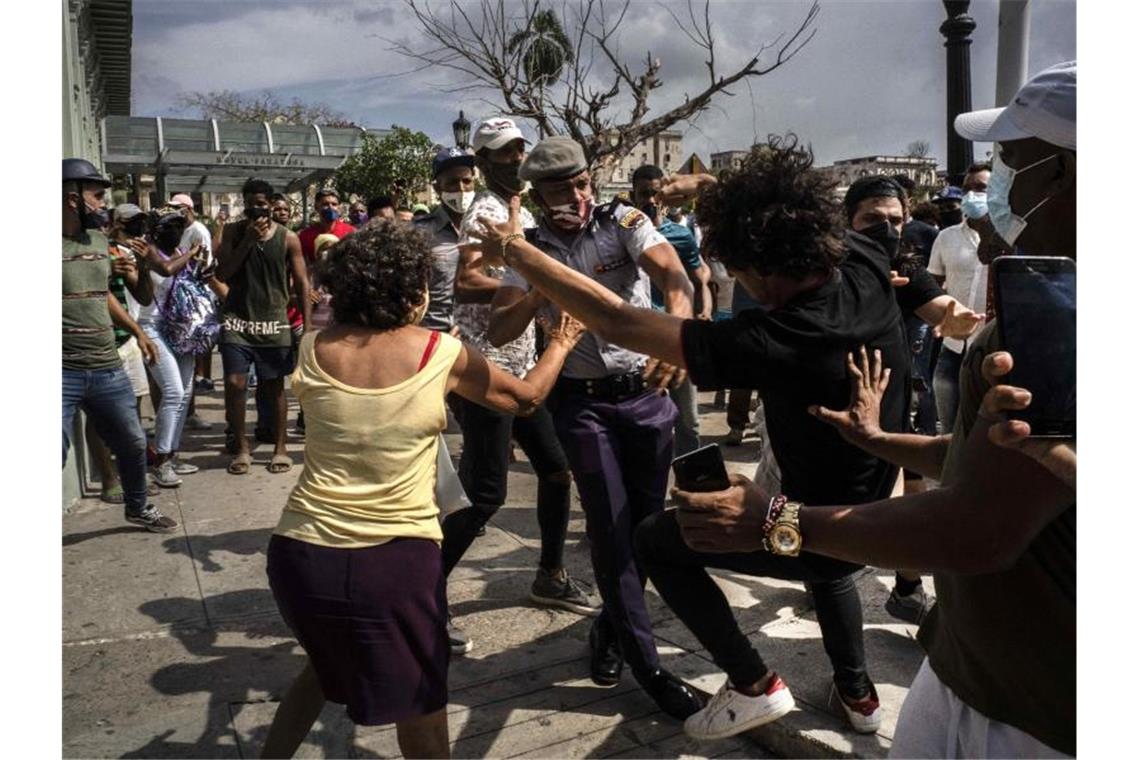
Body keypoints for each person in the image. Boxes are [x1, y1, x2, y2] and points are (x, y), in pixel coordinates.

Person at [671, 61, 1077, 758]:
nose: (989, 186)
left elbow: (975, 529)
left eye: (1011, 163)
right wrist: (882, 437)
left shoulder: (1071, 323)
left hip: (1033, 716)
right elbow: (986, 468)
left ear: (1067, 177)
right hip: (960, 669)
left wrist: (774, 523)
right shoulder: (1047, 306)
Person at [468, 135, 912, 737]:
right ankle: (857, 696)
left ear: (763, 271)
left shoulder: (775, 340)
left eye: (741, 274)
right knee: (828, 575)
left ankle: (754, 684)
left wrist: (515, 252)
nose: (741, 285)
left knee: (658, 538)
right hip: (862, 477)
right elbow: (780, 209)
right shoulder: (857, 256)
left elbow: (622, 319)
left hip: (815, 515)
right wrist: (706, 185)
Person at [260, 221, 586, 759]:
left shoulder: (311, 346)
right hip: (393, 562)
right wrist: (562, 342)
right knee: (421, 702)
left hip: (300, 554)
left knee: (322, 668)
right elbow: (525, 400)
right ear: (413, 290)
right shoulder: (438, 352)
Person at [483, 136, 703, 721]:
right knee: (610, 528)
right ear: (537, 194)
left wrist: (679, 332)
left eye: (582, 183)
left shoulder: (622, 220)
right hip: (581, 406)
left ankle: (611, 631)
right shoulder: (527, 246)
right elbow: (500, 331)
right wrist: (539, 285)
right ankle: (650, 668)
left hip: (646, 395)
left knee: (649, 530)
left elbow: (675, 278)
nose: (576, 196)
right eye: (561, 189)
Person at [447, 121, 596, 657]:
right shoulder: (486, 209)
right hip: (486, 366)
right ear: (483, 162)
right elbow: (465, 282)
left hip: (524, 365)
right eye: (502, 152)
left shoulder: (524, 209)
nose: (515, 157)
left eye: (519, 148)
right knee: (486, 492)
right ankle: (422, 596)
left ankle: (550, 576)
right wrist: (535, 281)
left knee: (556, 471)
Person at [842, 174, 984, 622]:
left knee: (910, 487)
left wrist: (959, 318)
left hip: (899, 393)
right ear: (848, 221)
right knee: (834, 490)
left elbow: (938, 305)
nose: (886, 229)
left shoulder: (906, 266)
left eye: (895, 220)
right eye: (872, 220)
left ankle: (906, 586)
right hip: (839, 392)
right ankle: (826, 567)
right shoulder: (828, 265)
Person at [61, 158, 176, 532]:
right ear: (72, 198)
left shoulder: (99, 242)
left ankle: (137, 506)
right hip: (61, 371)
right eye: (97, 196)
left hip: (106, 366)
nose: (103, 205)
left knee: (131, 441)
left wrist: (138, 331)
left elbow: (103, 295)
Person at [214, 178, 311, 475]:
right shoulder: (231, 232)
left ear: (271, 204)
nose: (256, 209)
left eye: (261, 203)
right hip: (237, 321)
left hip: (273, 321)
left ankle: (280, 448)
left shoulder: (288, 238)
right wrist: (247, 242)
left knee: (273, 388)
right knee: (235, 383)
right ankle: (242, 447)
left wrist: (306, 329)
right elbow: (224, 273)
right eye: (250, 203)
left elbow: (303, 283)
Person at [630, 164, 712, 456]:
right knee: (647, 420)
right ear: (633, 195)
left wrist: (704, 308)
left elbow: (699, 275)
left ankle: (692, 486)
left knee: (689, 421)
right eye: (643, 195)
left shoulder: (680, 235)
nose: (650, 201)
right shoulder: (622, 234)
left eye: (655, 194)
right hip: (640, 343)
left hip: (678, 339)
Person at [135, 209, 208, 487]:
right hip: (151, 327)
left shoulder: (178, 249)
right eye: (170, 225)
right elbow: (166, 269)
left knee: (185, 392)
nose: (176, 229)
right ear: (156, 229)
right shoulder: (149, 250)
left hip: (179, 327)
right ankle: (161, 460)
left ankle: (171, 454)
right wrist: (191, 253)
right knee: (174, 391)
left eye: (180, 224)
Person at [930, 162, 993, 433]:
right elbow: (933, 284)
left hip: (994, 347)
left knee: (988, 432)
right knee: (950, 429)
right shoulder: (946, 238)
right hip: (954, 346)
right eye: (967, 189)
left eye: (981, 188)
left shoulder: (1014, 239)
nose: (972, 195)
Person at [414, 147, 476, 333]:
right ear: (437, 188)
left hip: (478, 336)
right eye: (452, 182)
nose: (461, 188)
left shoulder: (489, 227)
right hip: (433, 336)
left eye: (467, 181)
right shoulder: (419, 233)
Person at [170, 193, 217, 432]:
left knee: (192, 348)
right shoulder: (175, 229)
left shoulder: (199, 231)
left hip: (193, 298)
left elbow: (204, 262)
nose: (176, 213)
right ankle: (185, 412)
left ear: (189, 210)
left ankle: (191, 405)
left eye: (180, 209)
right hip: (176, 298)